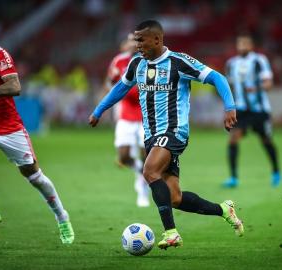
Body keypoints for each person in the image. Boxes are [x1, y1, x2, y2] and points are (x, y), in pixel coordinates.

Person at [89, 20, 244, 249]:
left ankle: (171, 233)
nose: (137, 44)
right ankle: (224, 210)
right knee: (174, 198)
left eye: (141, 39)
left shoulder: (178, 62)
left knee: (149, 171)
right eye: (135, 39)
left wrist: (229, 106)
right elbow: (120, 88)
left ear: (157, 39)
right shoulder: (136, 64)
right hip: (151, 135)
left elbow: (217, 78)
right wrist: (99, 110)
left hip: (174, 131)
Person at [0, 14, 74, 243]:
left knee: (35, 177)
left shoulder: (0, 55)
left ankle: (62, 217)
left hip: (10, 129)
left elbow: (15, 86)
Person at [222, 34, 281, 188]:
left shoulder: (259, 60)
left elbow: (268, 83)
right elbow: (230, 86)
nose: (242, 46)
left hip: (259, 110)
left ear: (251, 45)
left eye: (245, 44)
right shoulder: (231, 63)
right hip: (241, 109)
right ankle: (233, 178)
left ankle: (276, 171)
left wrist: (256, 88)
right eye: (240, 43)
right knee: (233, 138)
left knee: (266, 140)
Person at [103, 33, 149, 207]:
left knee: (147, 154)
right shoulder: (119, 61)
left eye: (135, 41)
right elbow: (108, 82)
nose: (132, 44)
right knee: (123, 157)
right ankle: (142, 172)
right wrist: (115, 94)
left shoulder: (149, 61)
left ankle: (143, 189)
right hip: (126, 114)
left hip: (146, 114)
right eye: (129, 41)